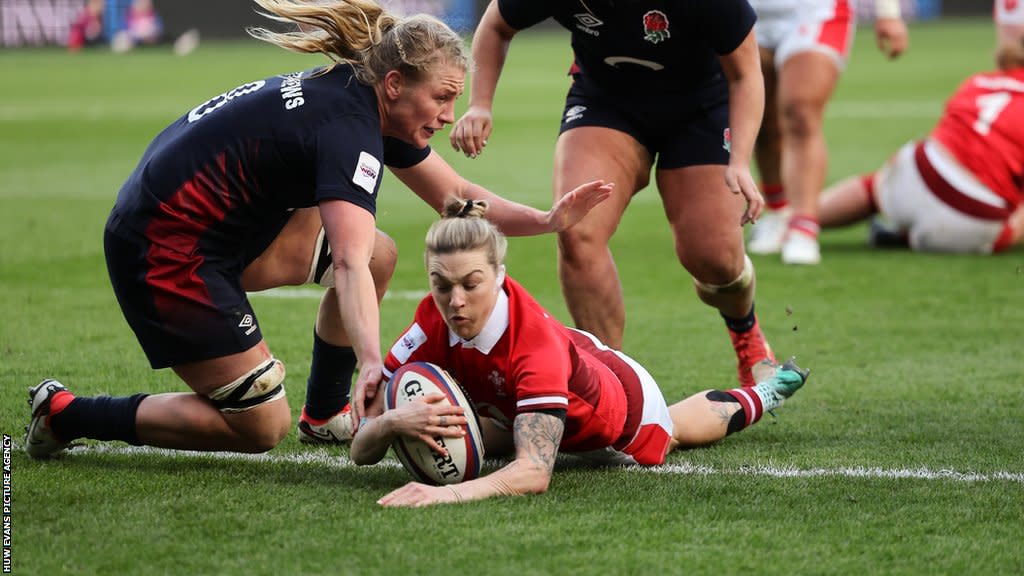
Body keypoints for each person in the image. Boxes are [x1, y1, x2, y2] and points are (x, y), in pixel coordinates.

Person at [24, 0, 611, 459]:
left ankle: (325, 414)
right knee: (258, 426)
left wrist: (546, 219)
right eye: (443, 97)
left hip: (223, 232)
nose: (450, 114)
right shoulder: (347, 127)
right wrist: (371, 363)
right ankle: (67, 412)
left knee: (381, 253)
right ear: (395, 85)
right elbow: (347, 262)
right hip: (165, 247)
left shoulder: (363, 102)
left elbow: (456, 199)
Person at [350, 200, 810, 507]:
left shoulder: (533, 350)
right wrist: (392, 421)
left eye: (471, 284)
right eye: (441, 284)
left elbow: (532, 474)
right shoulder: (430, 319)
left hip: (617, 409)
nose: (455, 302)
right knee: (467, 430)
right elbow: (361, 448)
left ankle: (767, 391)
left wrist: (444, 496)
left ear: (499, 275)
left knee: (673, 431)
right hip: (534, 384)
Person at [450, 0, 776, 388]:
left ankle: (746, 335)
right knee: (577, 229)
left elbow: (745, 74)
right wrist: (480, 105)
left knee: (714, 260)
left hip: (702, 108)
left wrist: (739, 161)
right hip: (605, 102)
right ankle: (611, 384)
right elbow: (496, 25)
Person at [815, 40, 1024, 254]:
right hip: (972, 217)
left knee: (874, 187)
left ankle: (800, 218)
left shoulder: (980, 81)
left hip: (917, 170)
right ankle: (908, 237)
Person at [745, 0, 909, 264]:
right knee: (761, 118)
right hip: (746, 10)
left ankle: (803, 226)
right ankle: (778, 211)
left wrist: (888, 13)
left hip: (816, 10)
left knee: (801, 113)